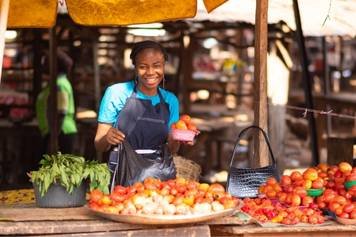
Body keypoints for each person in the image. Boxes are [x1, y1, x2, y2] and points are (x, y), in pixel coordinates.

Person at [94, 40, 182, 185]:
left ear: (164, 66)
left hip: (159, 176)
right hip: (123, 172)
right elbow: (99, 145)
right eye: (143, 67)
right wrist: (107, 137)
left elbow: (172, 149)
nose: (150, 72)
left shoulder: (170, 100)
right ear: (135, 67)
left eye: (157, 66)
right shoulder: (116, 93)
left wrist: (176, 139)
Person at [36, 50, 77, 155]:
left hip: (61, 133)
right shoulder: (55, 83)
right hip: (55, 132)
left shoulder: (60, 84)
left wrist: (54, 139)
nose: (43, 66)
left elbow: (61, 112)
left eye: (45, 63)